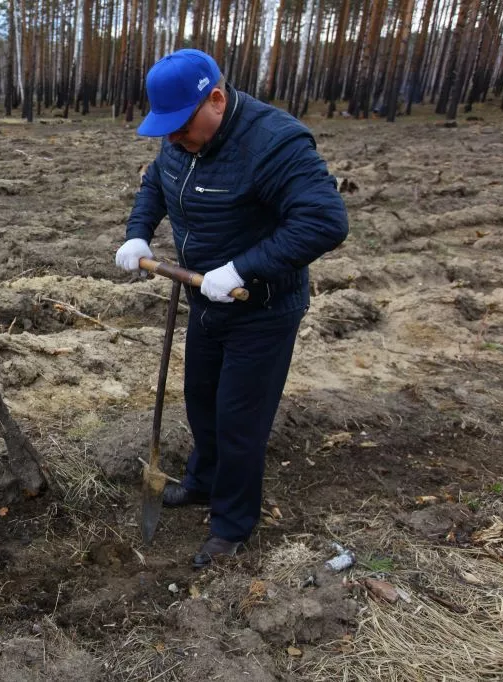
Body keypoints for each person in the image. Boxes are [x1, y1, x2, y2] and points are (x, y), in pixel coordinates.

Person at [115, 49, 348, 568]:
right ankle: (203, 482)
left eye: (181, 127)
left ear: (216, 99)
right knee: (202, 400)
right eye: (166, 130)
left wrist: (243, 269)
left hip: (261, 307)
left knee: (240, 420)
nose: (174, 138)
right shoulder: (180, 142)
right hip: (206, 299)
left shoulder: (275, 143)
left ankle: (232, 524)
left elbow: (325, 221)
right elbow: (157, 181)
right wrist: (138, 233)